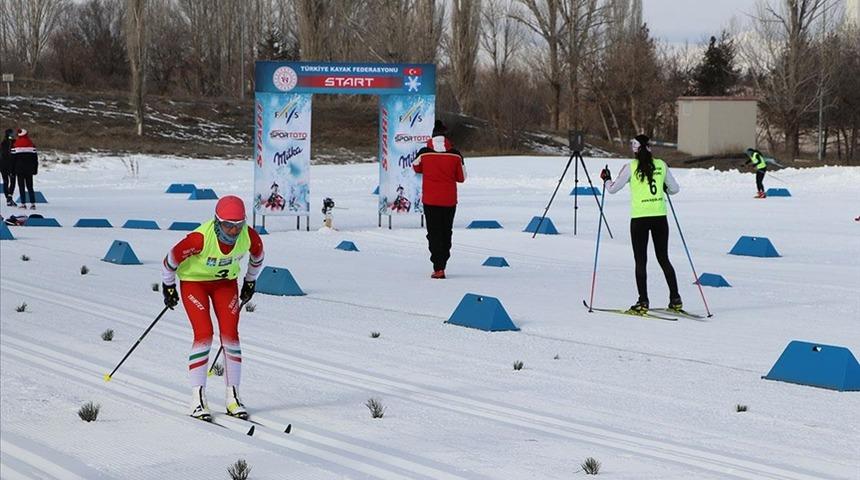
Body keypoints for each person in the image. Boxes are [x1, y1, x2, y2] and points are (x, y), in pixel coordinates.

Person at [160, 195, 265, 421]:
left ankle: (233, 398)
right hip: (194, 283)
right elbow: (170, 260)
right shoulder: (199, 239)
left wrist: (250, 281)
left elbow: (258, 257)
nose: (233, 231)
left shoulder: (248, 236)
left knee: (231, 336)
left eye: (238, 225)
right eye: (228, 225)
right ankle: (197, 399)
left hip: (225, 284)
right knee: (204, 334)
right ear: (217, 221)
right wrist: (168, 286)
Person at [601, 134, 682, 314]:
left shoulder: (630, 167)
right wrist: (664, 187)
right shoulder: (661, 164)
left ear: (635, 149)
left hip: (640, 219)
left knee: (641, 261)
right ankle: (675, 299)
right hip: (660, 217)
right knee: (663, 258)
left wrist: (606, 179)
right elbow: (675, 189)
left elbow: (612, 189)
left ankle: (643, 302)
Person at [413, 120, 465, 279]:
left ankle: (438, 267)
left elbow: (416, 167)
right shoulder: (456, 154)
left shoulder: (423, 153)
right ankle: (443, 261)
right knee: (446, 232)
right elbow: (462, 178)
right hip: (449, 201)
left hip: (430, 200)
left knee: (433, 233)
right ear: (446, 137)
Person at [11, 129, 37, 209]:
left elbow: (13, 160)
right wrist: (35, 169)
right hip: (29, 169)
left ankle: (23, 204)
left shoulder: (15, 145)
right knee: (30, 186)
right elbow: (35, 159)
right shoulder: (32, 145)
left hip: (19, 169)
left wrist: (12, 170)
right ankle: (33, 204)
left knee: (21, 187)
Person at [1, 129, 15, 206]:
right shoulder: (12, 143)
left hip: (2, 166)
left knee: (5, 182)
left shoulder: (2, 143)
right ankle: (9, 197)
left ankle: (8, 198)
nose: (13, 135)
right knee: (12, 181)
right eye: (12, 134)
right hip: (10, 166)